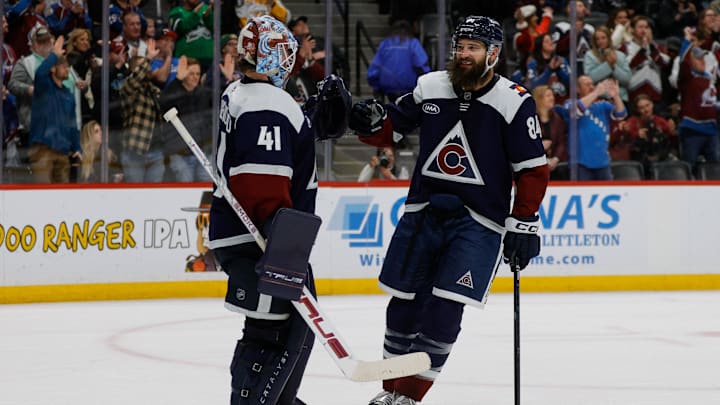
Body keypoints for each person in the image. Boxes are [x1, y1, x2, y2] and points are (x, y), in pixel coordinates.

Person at [348, 16, 549, 405]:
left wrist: (524, 222)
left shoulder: (513, 100)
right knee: (403, 305)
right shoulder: (431, 86)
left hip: (478, 223)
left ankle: (409, 397)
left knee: (444, 308)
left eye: (473, 47)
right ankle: (390, 391)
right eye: (460, 46)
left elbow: (532, 170)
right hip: (423, 211)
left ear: (493, 54)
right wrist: (366, 120)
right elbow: (391, 127)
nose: (464, 54)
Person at [208, 15, 351, 405]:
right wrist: (282, 244)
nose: (291, 63)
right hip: (265, 239)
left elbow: (264, 152)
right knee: (272, 332)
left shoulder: (241, 93)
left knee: (293, 330)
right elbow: (260, 184)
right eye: (287, 54)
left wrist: (306, 124)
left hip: (252, 235)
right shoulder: (270, 103)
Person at [27, 35, 81, 183]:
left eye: (68, 67)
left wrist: (77, 147)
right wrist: (54, 55)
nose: (67, 70)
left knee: (62, 197)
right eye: (64, 66)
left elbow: (72, 123)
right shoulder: (44, 87)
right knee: (43, 194)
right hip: (43, 149)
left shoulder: (68, 94)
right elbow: (39, 73)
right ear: (53, 68)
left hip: (63, 150)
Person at [564, 76, 628, 180]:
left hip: (603, 162)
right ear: (578, 89)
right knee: (583, 194)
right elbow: (575, 111)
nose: (591, 87)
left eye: (592, 84)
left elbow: (621, 114)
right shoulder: (569, 103)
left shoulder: (602, 105)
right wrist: (596, 93)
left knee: (606, 191)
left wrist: (616, 96)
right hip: (581, 163)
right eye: (587, 84)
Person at [119, 39, 165, 183]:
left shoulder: (154, 91)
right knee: (135, 196)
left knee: (154, 196)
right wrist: (149, 58)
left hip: (156, 151)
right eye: (143, 66)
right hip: (135, 152)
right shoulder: (128, 88)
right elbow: (134, 81)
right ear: (134, 70)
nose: (147, 69)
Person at [160, 56, 212, 182]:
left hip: (202, 152)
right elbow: (163, 103)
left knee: (209, 185)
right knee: (185, 183)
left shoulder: (204, 94)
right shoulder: (174, 91)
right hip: (179, 153)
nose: (195, 77)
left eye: (198, 74)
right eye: (191, 73)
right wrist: (177, 80)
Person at [366, 19, 430, 103]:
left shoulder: (385, 44)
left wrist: (376, 86)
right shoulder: (413, 43)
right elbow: (421, 65)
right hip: (409, 87)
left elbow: (375, 68)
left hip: (389, 88)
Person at [584, 25, 632, 102]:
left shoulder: (621, 55)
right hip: (599, 97)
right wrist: (608, 65)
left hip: (620, 97)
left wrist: (613, 66)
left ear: (609, 38)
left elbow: (627, 80)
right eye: (597, 39)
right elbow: (590, 78)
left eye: (603, 38)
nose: (600, 41)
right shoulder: (590, 55)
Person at [532, 84, 567, 176]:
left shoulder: (557, 119)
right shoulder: (530, 119)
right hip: (534, 167)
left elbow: (561, 142)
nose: (552, 98)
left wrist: (556, 158)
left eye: (552, 95)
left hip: (554, 167)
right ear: (539, 99)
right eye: (548, 96)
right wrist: (539, 147)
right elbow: (523, 142)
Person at [168, 0, 214, 69]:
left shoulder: (206, 9)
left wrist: (208, 17)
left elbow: (216, 29)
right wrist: (194, 15)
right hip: (186, 59)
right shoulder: (176, 11)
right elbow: (178, 28)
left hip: (209, 58)